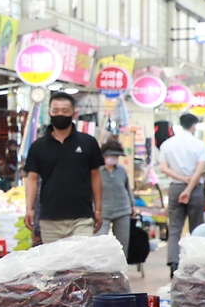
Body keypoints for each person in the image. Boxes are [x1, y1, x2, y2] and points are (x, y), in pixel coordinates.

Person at [24, 92, 103, 244]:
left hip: (82, 218)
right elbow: (32, 179)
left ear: (74, 113)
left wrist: (98, 210)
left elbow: (95, 176)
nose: (60, 114)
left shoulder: (88, 143)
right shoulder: (38, 147)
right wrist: (29, 208)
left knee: (80, 264)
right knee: (55, 266)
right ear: (49, 113)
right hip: (50, 219)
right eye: (56, 111)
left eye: (65, 111)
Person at [158, 113, 205, 275]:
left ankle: (173, 264)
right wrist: (189, 187)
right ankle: (196, 265)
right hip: (194, 190)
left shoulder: (167, 144)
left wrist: (181, 179)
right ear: (194, 125)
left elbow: (164, 168)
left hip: (175, 188)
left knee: (174, 228)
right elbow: (200, 170)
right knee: (197, 228)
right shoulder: (199, 145)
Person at [97, 140, 137, 257]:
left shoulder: (121, 171)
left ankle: (121, 271)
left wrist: (132, 204)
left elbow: (127, 188)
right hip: (102, 211)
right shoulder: (97, 171)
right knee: (99, 242)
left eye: (116, 156)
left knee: (122, 244)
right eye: (111, 156)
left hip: (122, 210)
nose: (114, 159)